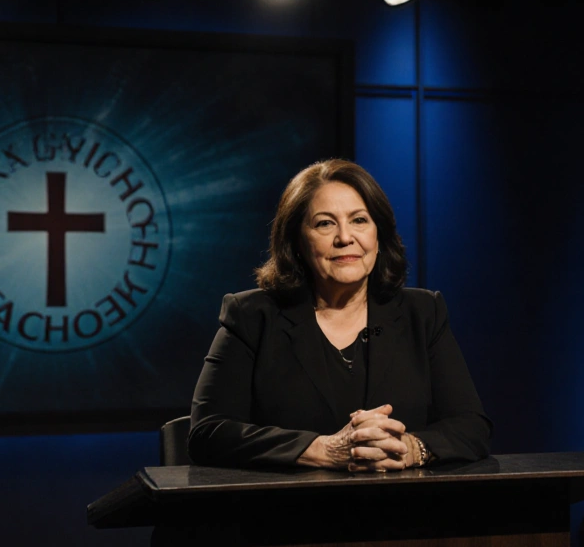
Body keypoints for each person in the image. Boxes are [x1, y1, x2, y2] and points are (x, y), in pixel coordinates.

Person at [187, 159, 491, 472]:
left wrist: (412, 448)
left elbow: (472, 427)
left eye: (359, 220)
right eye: (325, 223)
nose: (345, 237)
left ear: (378, 236)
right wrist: (322, 450)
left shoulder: (424, 314)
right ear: (297, 242)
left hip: (403, 512)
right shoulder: (252, 317)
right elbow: (208, 432)